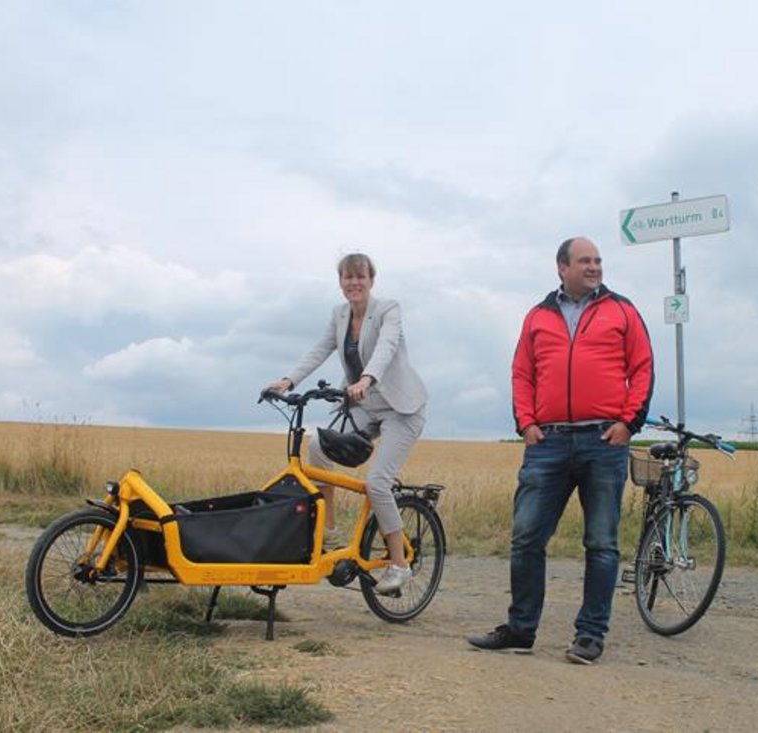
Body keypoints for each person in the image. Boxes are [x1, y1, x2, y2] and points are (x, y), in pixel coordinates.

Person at [468, 236, 654, 664]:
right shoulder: (537, 316)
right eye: (585, 261)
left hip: (603, 441)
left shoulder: (622, 310)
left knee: (601, 543)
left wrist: (628, 423)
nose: (594, 267)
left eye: (598, 261)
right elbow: (522, 373)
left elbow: (642, 367)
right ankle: (520, 630)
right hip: (547, 441)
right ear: (562, 268)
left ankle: (590, 635)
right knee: (526, 538)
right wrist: (527, 424)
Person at [266, 253, 428, 594]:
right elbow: (320, 349)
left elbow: (385, 347)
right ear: (340, 282)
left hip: (401, 408)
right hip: (364, 405)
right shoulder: (339, 316)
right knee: (316, 448)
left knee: (378, 483)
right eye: (347, 277)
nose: (354, 283)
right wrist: (288, 381)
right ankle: (331, 529)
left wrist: (367, 378)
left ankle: (399, 565)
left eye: (360, 276)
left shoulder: (388, 310)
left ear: (371, 280)